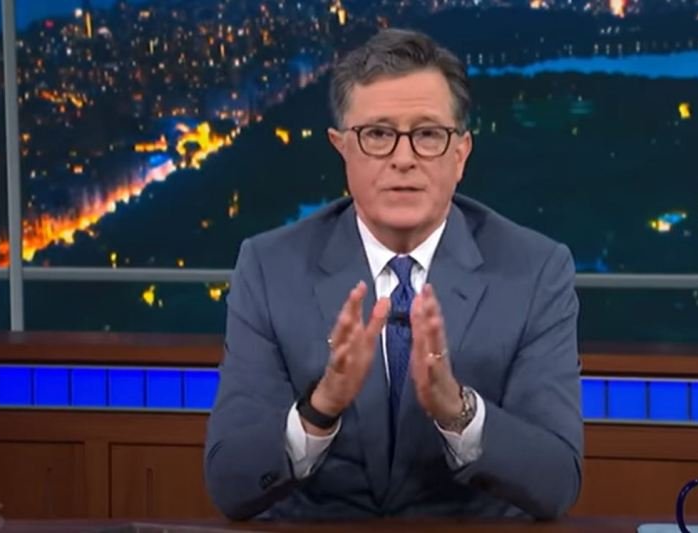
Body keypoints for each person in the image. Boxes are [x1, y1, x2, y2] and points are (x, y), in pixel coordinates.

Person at [204, 27, 583, 521]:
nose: (404, 159)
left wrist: (458, 412)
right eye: (378, 135)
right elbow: (230, 483)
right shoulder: (269, 268)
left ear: (460, 153)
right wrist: (320, 407)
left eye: (427, 134)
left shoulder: (535, 271)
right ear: (342, 148)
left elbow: (556, 482)